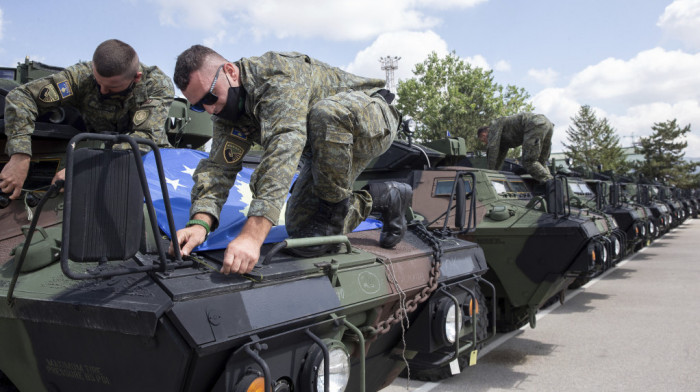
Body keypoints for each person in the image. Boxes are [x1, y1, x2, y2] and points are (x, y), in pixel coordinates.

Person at [171, 45, 411, 275]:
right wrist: (199, 223)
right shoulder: (227, 113)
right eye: (199, 107)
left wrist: (252, 236)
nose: (210, 110)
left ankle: (333, 211)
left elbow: (283, 149)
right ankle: (385, 197)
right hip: (323, 148)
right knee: (302, 233)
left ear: (230, 72)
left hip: (371, 119)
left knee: (326, 115)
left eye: (210, 97)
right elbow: (218, 169)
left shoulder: (277, 74)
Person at [0, 39, 174, 199]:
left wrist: (81, 166)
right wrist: (20, 155)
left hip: (140, 161)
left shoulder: (156, 85)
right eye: (99, 83)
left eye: (112, 87)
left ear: (136, 77)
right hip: (89, 147)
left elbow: (145, 138)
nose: (103, 91)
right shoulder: (80, 76)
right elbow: (21, 97)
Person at [477, 113, 554, 182]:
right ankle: (555, 186)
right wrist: (495, 172)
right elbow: (499, 157)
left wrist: (489, 176)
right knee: (541, 163)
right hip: (547, 124)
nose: (485, 143)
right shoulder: (502, 137)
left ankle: (551, 182)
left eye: (483, 140)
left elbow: (492, 148)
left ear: (484, 134)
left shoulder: (493, 126)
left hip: (535, 124)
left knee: (529, 162)